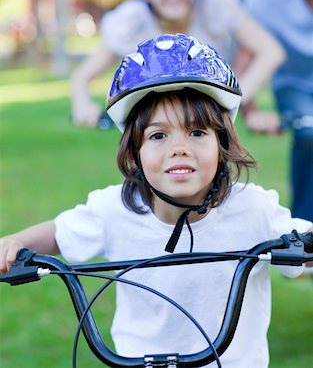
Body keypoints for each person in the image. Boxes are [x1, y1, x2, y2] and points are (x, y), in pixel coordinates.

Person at [1, 34, 312, 366]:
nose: (178, 148)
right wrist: (15, 242)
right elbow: (58, 233)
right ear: (134, 154)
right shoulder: (112, 209)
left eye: (197, 133)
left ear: (221, 145)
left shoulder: (254, 208)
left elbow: (301, 242)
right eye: (158, 135)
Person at [71, 0, 285, 128]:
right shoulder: (132, 19)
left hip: (205, 119)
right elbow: (82, 76)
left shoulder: (213, 2)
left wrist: (233, 100)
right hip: (156, 123)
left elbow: (271, 51)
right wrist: (83, 106)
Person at [238, 0, 313, 221]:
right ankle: (306, 233)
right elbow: (247, 54)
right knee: (309, 133)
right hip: (294, 84)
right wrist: (250, 109)